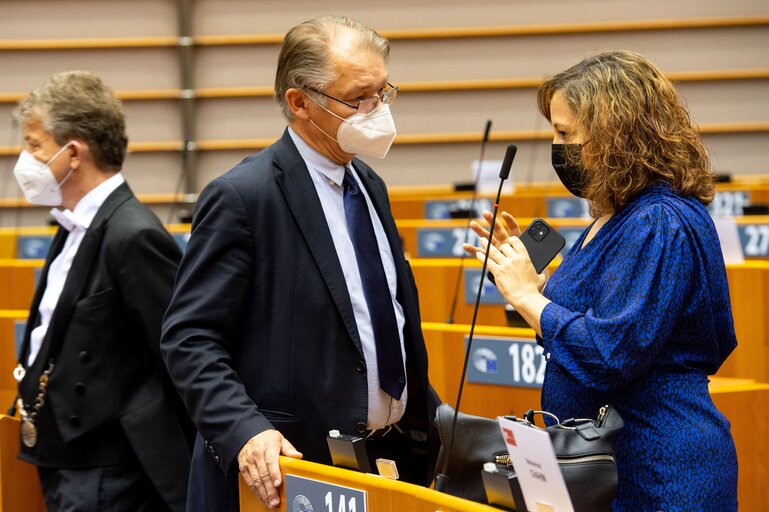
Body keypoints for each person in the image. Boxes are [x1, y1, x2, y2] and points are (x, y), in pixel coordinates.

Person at [160, 15, 439, 511]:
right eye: (360, 99)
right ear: (300, 102)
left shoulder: (370, 186)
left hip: (380, 463)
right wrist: (245, 431)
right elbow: (190, 338)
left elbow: (383, 317)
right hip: (287, 474)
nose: (377, 111)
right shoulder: (243, 197)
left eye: (384, 92)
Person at [465, 50, 738, 511]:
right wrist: (535, 281)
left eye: (565, 133)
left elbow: (611, 353)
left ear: (615, 133)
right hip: (607, 460)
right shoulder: (615, 215)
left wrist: (530, 298)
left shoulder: (659, 221)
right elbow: (592, 325)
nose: (558, 147)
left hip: (658, 468)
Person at [12, 71, 193, 512]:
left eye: (35, 145)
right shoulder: (72, 222)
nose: (25, 158)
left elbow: (181, 355)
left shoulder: (133, 234)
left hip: (110, 473)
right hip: (60, 457)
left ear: (72, 153)